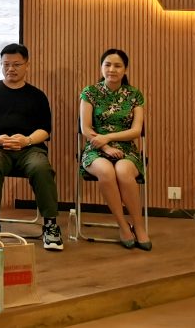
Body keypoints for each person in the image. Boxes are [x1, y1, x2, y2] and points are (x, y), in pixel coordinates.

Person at [0, 43, 63, 250]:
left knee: (41, 167)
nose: (11, 69)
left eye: (16, 64)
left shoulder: (37, 96)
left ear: (27, 65)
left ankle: (50, 225)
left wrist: (26, 140)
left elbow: (45, 130)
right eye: (6, 64)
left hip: (29, 149)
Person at [80, 49, 150, 250]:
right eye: (107, 64)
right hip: (95, 148)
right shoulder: (90, 92)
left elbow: (135, 130)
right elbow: (86, 128)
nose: (112, 69)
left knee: (123, 171)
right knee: (106, 171)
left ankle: (139, 227)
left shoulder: (134, 94)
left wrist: (109, 138)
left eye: (118, 66)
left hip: (126, 148)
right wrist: (105, 146)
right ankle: (123, 226)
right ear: (101, 67)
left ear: (125, 69)